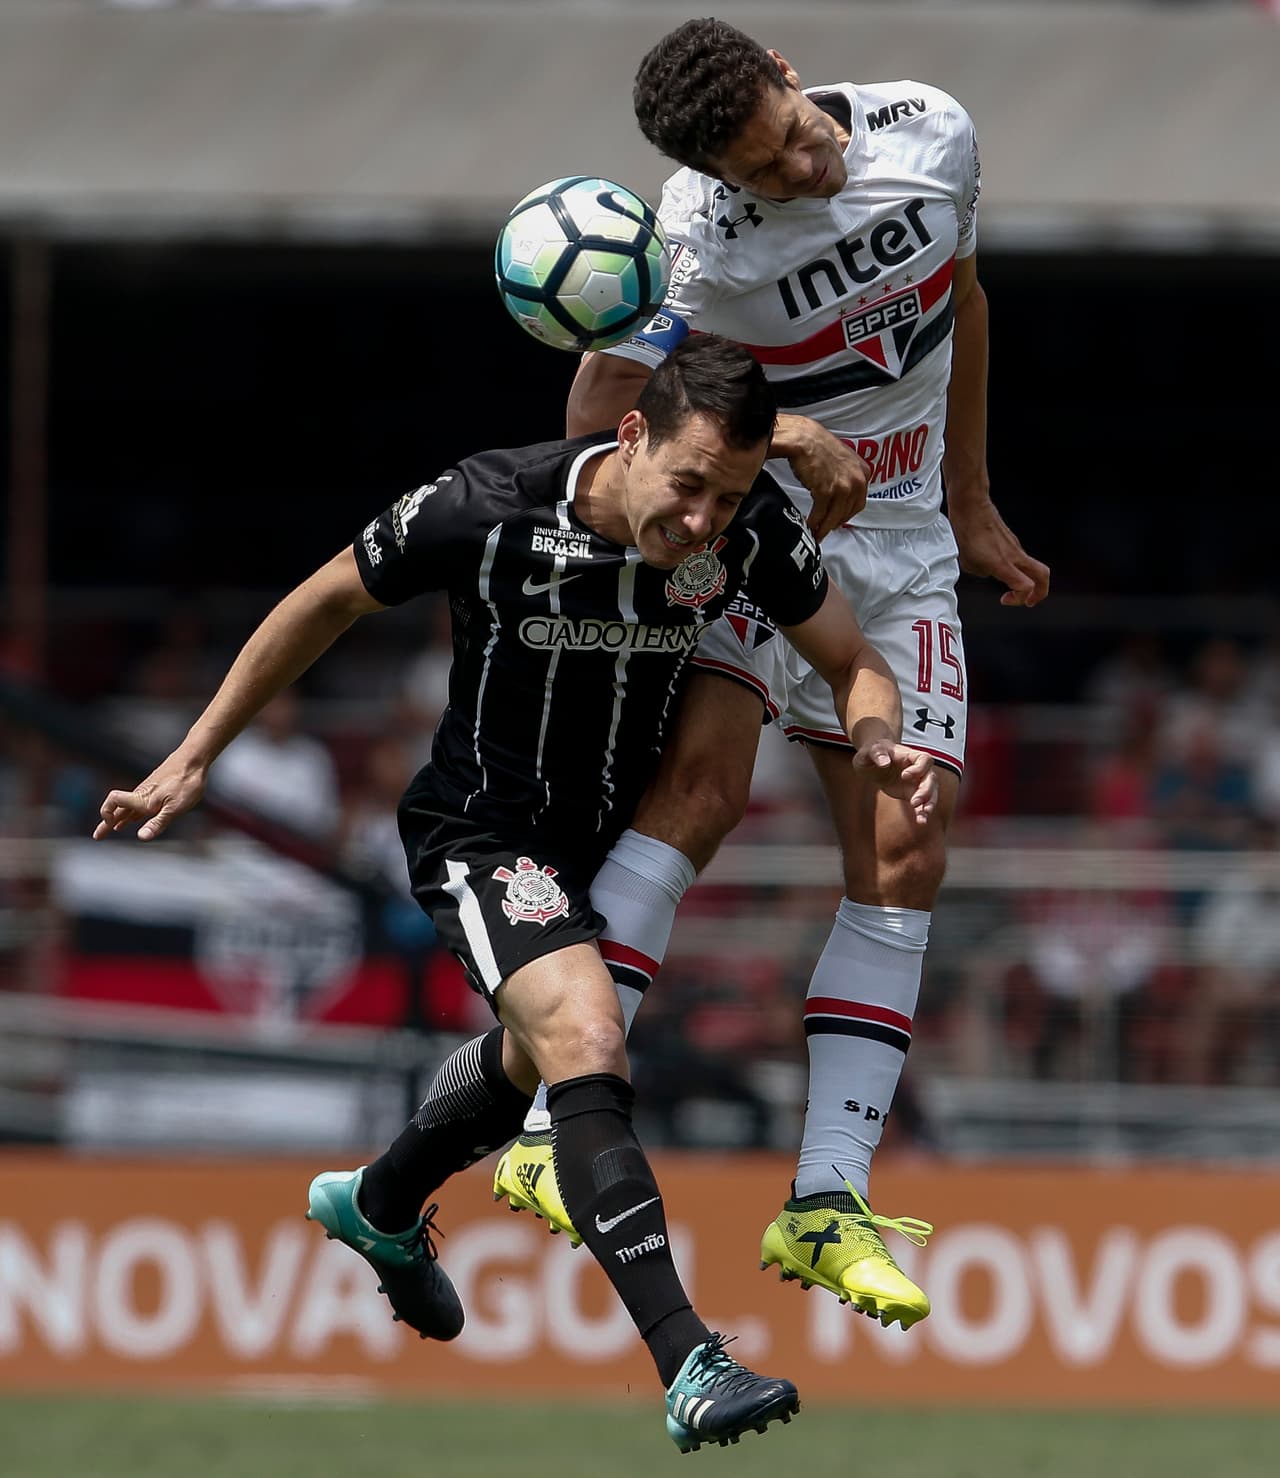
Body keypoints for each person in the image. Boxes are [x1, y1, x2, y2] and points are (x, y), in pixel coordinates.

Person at [93, 336, 936, 1450]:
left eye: (725, 499)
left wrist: (876, 731)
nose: (700, 523)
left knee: (531, 1054)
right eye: (687, 488)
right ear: (629, 435)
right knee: (587, 1034)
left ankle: (382, 1200)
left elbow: (849, 657)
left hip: (606, 844)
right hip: (484, 836)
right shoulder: (488, 503)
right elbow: (325, 598)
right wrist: (195, 754)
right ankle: (689, 1359)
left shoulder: (747, 534)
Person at [495, 16, 1049, 1331]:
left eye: (796, 137)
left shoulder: (934, 134)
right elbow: (596, 426)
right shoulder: (690, 249)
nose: (803, 169)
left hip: (907, 538)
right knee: (698, 792)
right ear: (725, 180)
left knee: (908, 840)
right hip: (758, 532)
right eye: (771, 168)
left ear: (797, 79)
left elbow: (962, 303)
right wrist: (786, 432)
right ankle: (544, 1124)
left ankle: (826, 1201)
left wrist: (969, 500)